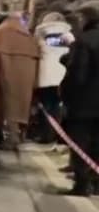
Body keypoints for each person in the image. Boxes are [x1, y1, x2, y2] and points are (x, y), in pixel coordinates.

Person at [0, 14, 41, 150]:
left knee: (6, 103)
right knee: (21, 104)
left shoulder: (0, 34)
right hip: (26, 77)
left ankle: (10, 138)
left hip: (4, 73)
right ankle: (19, 135)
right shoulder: (27, 36)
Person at [60, 1, 99, 195]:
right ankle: (97, 183)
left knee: (80, 142)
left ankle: (82, 184)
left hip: (84, 104)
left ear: (87, 18)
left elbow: (77, 75)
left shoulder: (83, 41)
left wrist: (65, 96)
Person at [32, 12, 72, 144]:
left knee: (46, 107)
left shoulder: (40, 36)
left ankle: (46, 135)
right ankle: (60, 136)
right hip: (63, 76)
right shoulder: (69, 36)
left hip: (46, 77)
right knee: (60, 106)